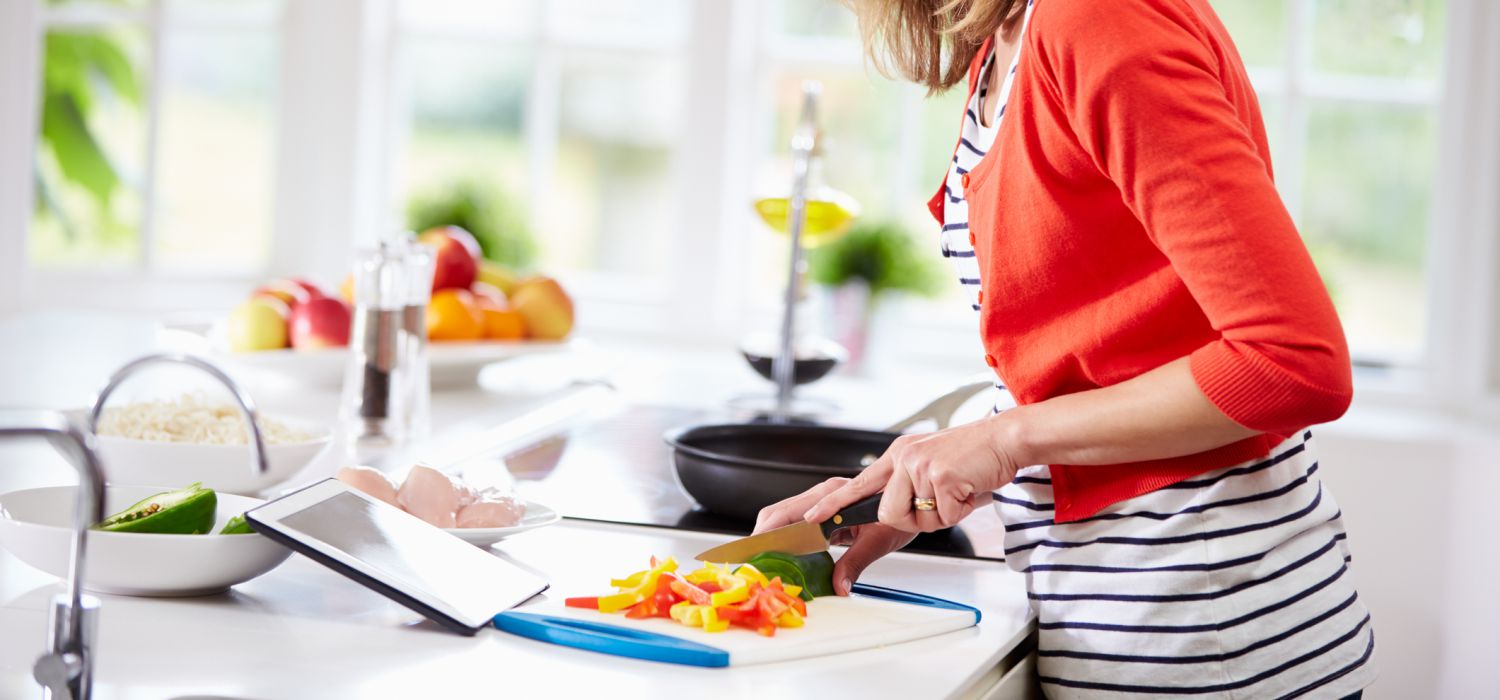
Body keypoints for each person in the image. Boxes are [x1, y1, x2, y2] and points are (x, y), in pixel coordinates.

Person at [754, 0, 1376, 696]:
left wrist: (1007, 440)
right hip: (1107, 615)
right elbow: (1099, 364)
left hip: (1201, 626)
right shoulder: (1003, 37)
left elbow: (1291, 362)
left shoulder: (1099, 19)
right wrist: (918, 478)